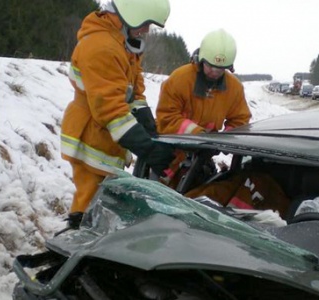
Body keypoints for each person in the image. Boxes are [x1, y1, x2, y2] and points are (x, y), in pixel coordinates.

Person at [60, 0, 174, 229]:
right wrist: (149, 149)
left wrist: (148, 127)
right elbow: (111, 111)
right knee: (87, 206)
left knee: (100, 203)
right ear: (131, 16)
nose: (146, 31)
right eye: (146, 24)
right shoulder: (102, 47)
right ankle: (71, 247)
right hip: (90, 136)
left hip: (105, 138)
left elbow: (133, 91)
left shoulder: (123, 44)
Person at [156, 29, 252, 187]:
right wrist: (199, 136)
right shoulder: (179, 80)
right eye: (210, 66)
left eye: (220, 69)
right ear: (201, 59)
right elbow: (166, 117)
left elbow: (240, 119)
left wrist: (223, 141)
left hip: (202, 160)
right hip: (168, 156)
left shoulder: (234, 88)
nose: (214, 72)